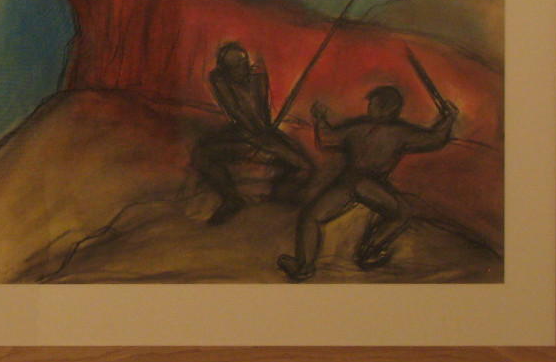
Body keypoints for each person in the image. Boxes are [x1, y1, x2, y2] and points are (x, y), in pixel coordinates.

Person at [277, 85, 457, 281]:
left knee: (310, 216)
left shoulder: (361, 129)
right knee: (403, 212)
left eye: (375, 105)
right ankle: (369, 252)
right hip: (365, 183)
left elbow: (326, 139)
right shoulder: (400, 132)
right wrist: (449, 118)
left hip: (351, 182)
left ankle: (304, 266)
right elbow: (436, 139)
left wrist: (320, 118)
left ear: (389, 108)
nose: (370, 108)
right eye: (372, 104)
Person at [190, 41, 314, 224]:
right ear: (226, 71)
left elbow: (261, 117)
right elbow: (237, 113)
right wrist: (256, 137)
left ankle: (280, 195)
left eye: (245, 62)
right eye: (237, 66)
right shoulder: (220, 81)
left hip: (262, 132)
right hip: (241, 133)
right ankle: (231, 199)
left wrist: (264, 138)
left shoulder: (258, 79)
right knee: (201, 156)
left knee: (305, 168)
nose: (244, 68)